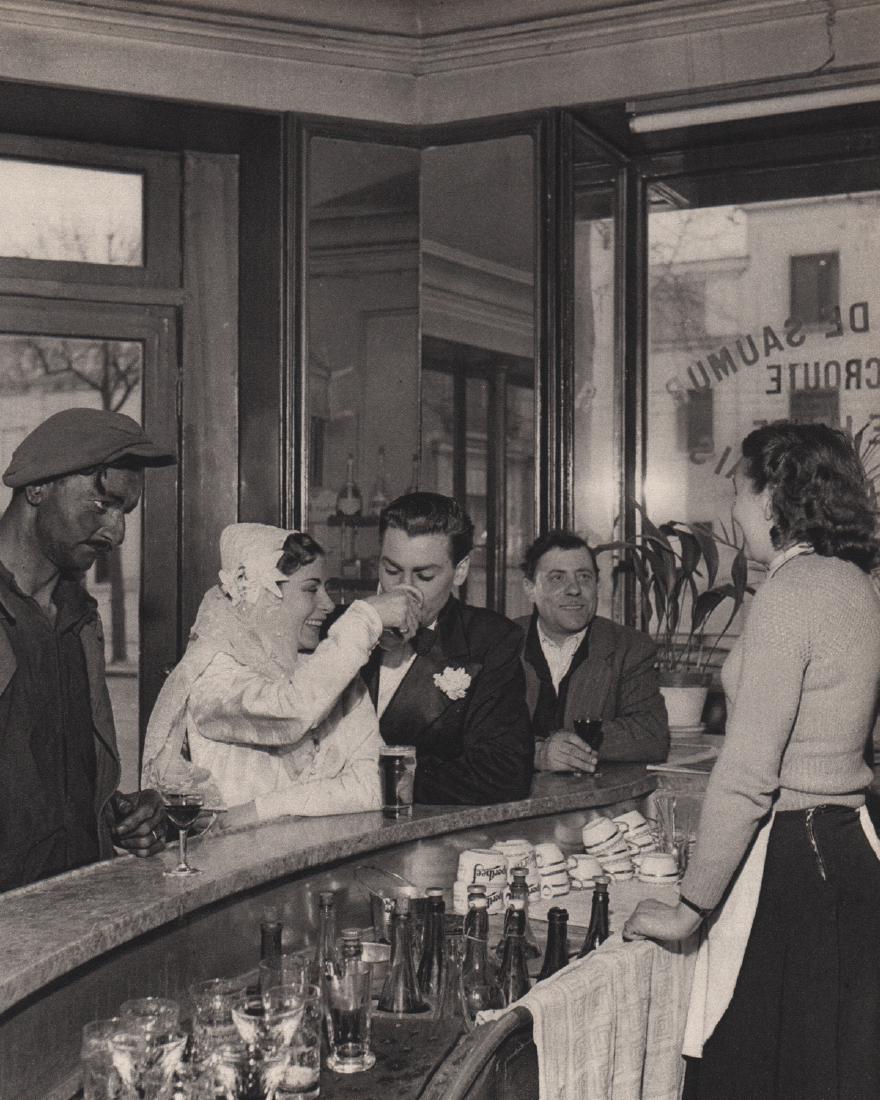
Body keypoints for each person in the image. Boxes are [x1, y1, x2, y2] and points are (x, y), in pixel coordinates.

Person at [625, 422, 880, 1100]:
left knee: (750, 1070)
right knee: (829, 1070)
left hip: (792, 864)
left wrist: (687, 907)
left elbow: (746, 776)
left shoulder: (789, 595)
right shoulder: (857, 584)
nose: (735, 511)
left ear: (774, 498)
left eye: (741, 492)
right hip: (849, 849)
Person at [0, 406, 176, 892]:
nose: (116, 533)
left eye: (125, 513)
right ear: (38, 486)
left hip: (76, 914)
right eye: (103, 504)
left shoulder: (78, 619)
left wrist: (119, 812)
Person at [142, 522, 421, 823]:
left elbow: (377, 786)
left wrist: (259, 809)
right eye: (312, 589)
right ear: (264, 596)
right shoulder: (212, 678)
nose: (328, 604)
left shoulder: (331, 673)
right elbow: (291, 711)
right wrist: (366, 617)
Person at [357, 491, 533, 805]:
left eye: (424, 575)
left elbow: (504, 774)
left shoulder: (491, 641)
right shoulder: (340, 628)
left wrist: (382, 780)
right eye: (392, 570)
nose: (403, 589)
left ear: (460, 570)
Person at [517, 529, 669, 773]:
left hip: (596, 802)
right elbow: (475, 733)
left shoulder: (629, 648)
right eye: (557, 578)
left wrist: (569, 744)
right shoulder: (499, 643)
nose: (574, 589)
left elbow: (650, 733)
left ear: (597, 585)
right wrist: (537, 753)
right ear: (530, 588)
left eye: (584, 577)